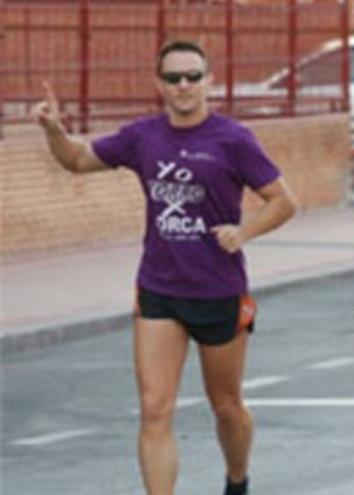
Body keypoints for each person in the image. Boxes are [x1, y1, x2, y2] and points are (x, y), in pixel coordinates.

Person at [33, 40, 296, 495]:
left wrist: (243, 232)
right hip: (159, 290)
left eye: (193, 76)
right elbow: (76, 160)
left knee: (227, 406)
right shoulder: (142, 137)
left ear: (209, 80)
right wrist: (54, 131)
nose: (184, 86)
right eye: (174, 78)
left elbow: (283, 201)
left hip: (218, 290)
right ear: (160, 85)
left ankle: (237, 481)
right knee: (155, 409)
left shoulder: (232, 139)